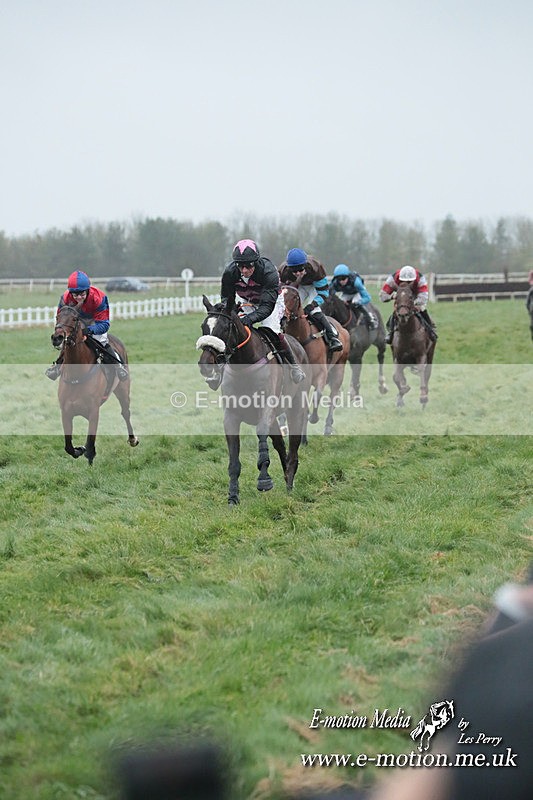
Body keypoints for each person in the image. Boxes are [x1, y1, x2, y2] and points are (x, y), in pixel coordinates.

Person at [220, 240, 305, 383]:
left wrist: (249, 319)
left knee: (272, 330)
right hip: (247, 300)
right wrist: (231, 311)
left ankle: (294, 366)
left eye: (248, 266)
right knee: (232, 330)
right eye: (240, 266)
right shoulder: (230, 272)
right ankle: (221, 368)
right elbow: (226, 299)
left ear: (256, 261)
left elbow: (266, 308)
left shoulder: (269, 272)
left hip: (270, 302)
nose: (244, 270)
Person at [45, 270, 128, 381]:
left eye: (82, 294)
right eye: (75, 294)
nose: (79, 297)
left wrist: (87, 331)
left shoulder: (99, 298)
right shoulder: (65, 298)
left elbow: (104, 324)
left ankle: (118, 366)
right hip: (75, 321)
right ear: (71, 292)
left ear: (88, 290)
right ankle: (57, 366)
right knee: (68, 340)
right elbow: (61, 319)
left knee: (101, 339)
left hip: (95, 321)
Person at [278, 248, 343, 353]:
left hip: (313, 286)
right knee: (286, 308)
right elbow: (282, 294)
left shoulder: (316, 268)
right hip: (297, 287)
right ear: (289, 269)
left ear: (305, 265)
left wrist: (312, 305)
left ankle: (332, 338)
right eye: (295, 271)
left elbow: (323, 293)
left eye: (301, 270)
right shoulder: (283, 272)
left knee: (314, 310)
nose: (298, 273)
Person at [379, 265, 437, 343]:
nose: (407, 283)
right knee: (397, 311)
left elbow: (423, 297)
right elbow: (382, 296)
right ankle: (391, 333)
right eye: (403, 281)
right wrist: (393, 296)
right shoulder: (392, 279)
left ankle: (431, 329)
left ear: (414, 279)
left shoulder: (420, 279)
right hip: (401, 296)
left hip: (416, 297)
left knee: (422, 309)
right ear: (399, 278)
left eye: (410, 282)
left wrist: (413, 304)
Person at [330, 263, 378, 329]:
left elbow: (367, 297)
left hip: (357, 292)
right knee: (339, 303)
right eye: (339, 279)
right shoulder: (334, 283)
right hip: (346, 294)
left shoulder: (356, 282)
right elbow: (328, 294)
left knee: (355, 302)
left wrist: (359, 302)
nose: (341, 281)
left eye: (343, 278)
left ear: (347, 276)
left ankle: (370, 319)